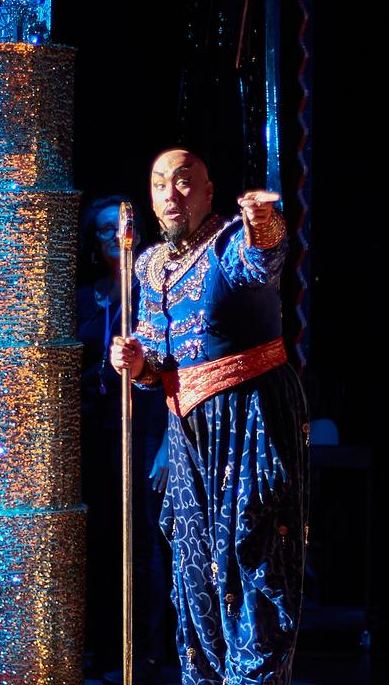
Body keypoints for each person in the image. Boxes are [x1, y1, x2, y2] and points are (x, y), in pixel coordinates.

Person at [110, 149, 309, 685]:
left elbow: (260, 263)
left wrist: (262, 221)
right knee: (194, 570)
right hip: (187, 433)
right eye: (158, 185)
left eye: (183, 182)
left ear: (207, 190)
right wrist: (137, 363)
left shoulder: (227, 244)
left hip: (250, 420)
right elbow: (156, 357)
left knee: (254, 556)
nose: (170, 195)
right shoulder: (148, 265)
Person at [75, 195, 174, 683]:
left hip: (147, 428)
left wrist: (167, 444)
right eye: (103, 230)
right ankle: (104, 648)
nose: (115, 238)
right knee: (102, 538)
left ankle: (149, 652)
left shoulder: (156, 293)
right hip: (97, 434)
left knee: (145, 540)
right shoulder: (87, 297)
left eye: (122, 227)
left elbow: (177, 368)